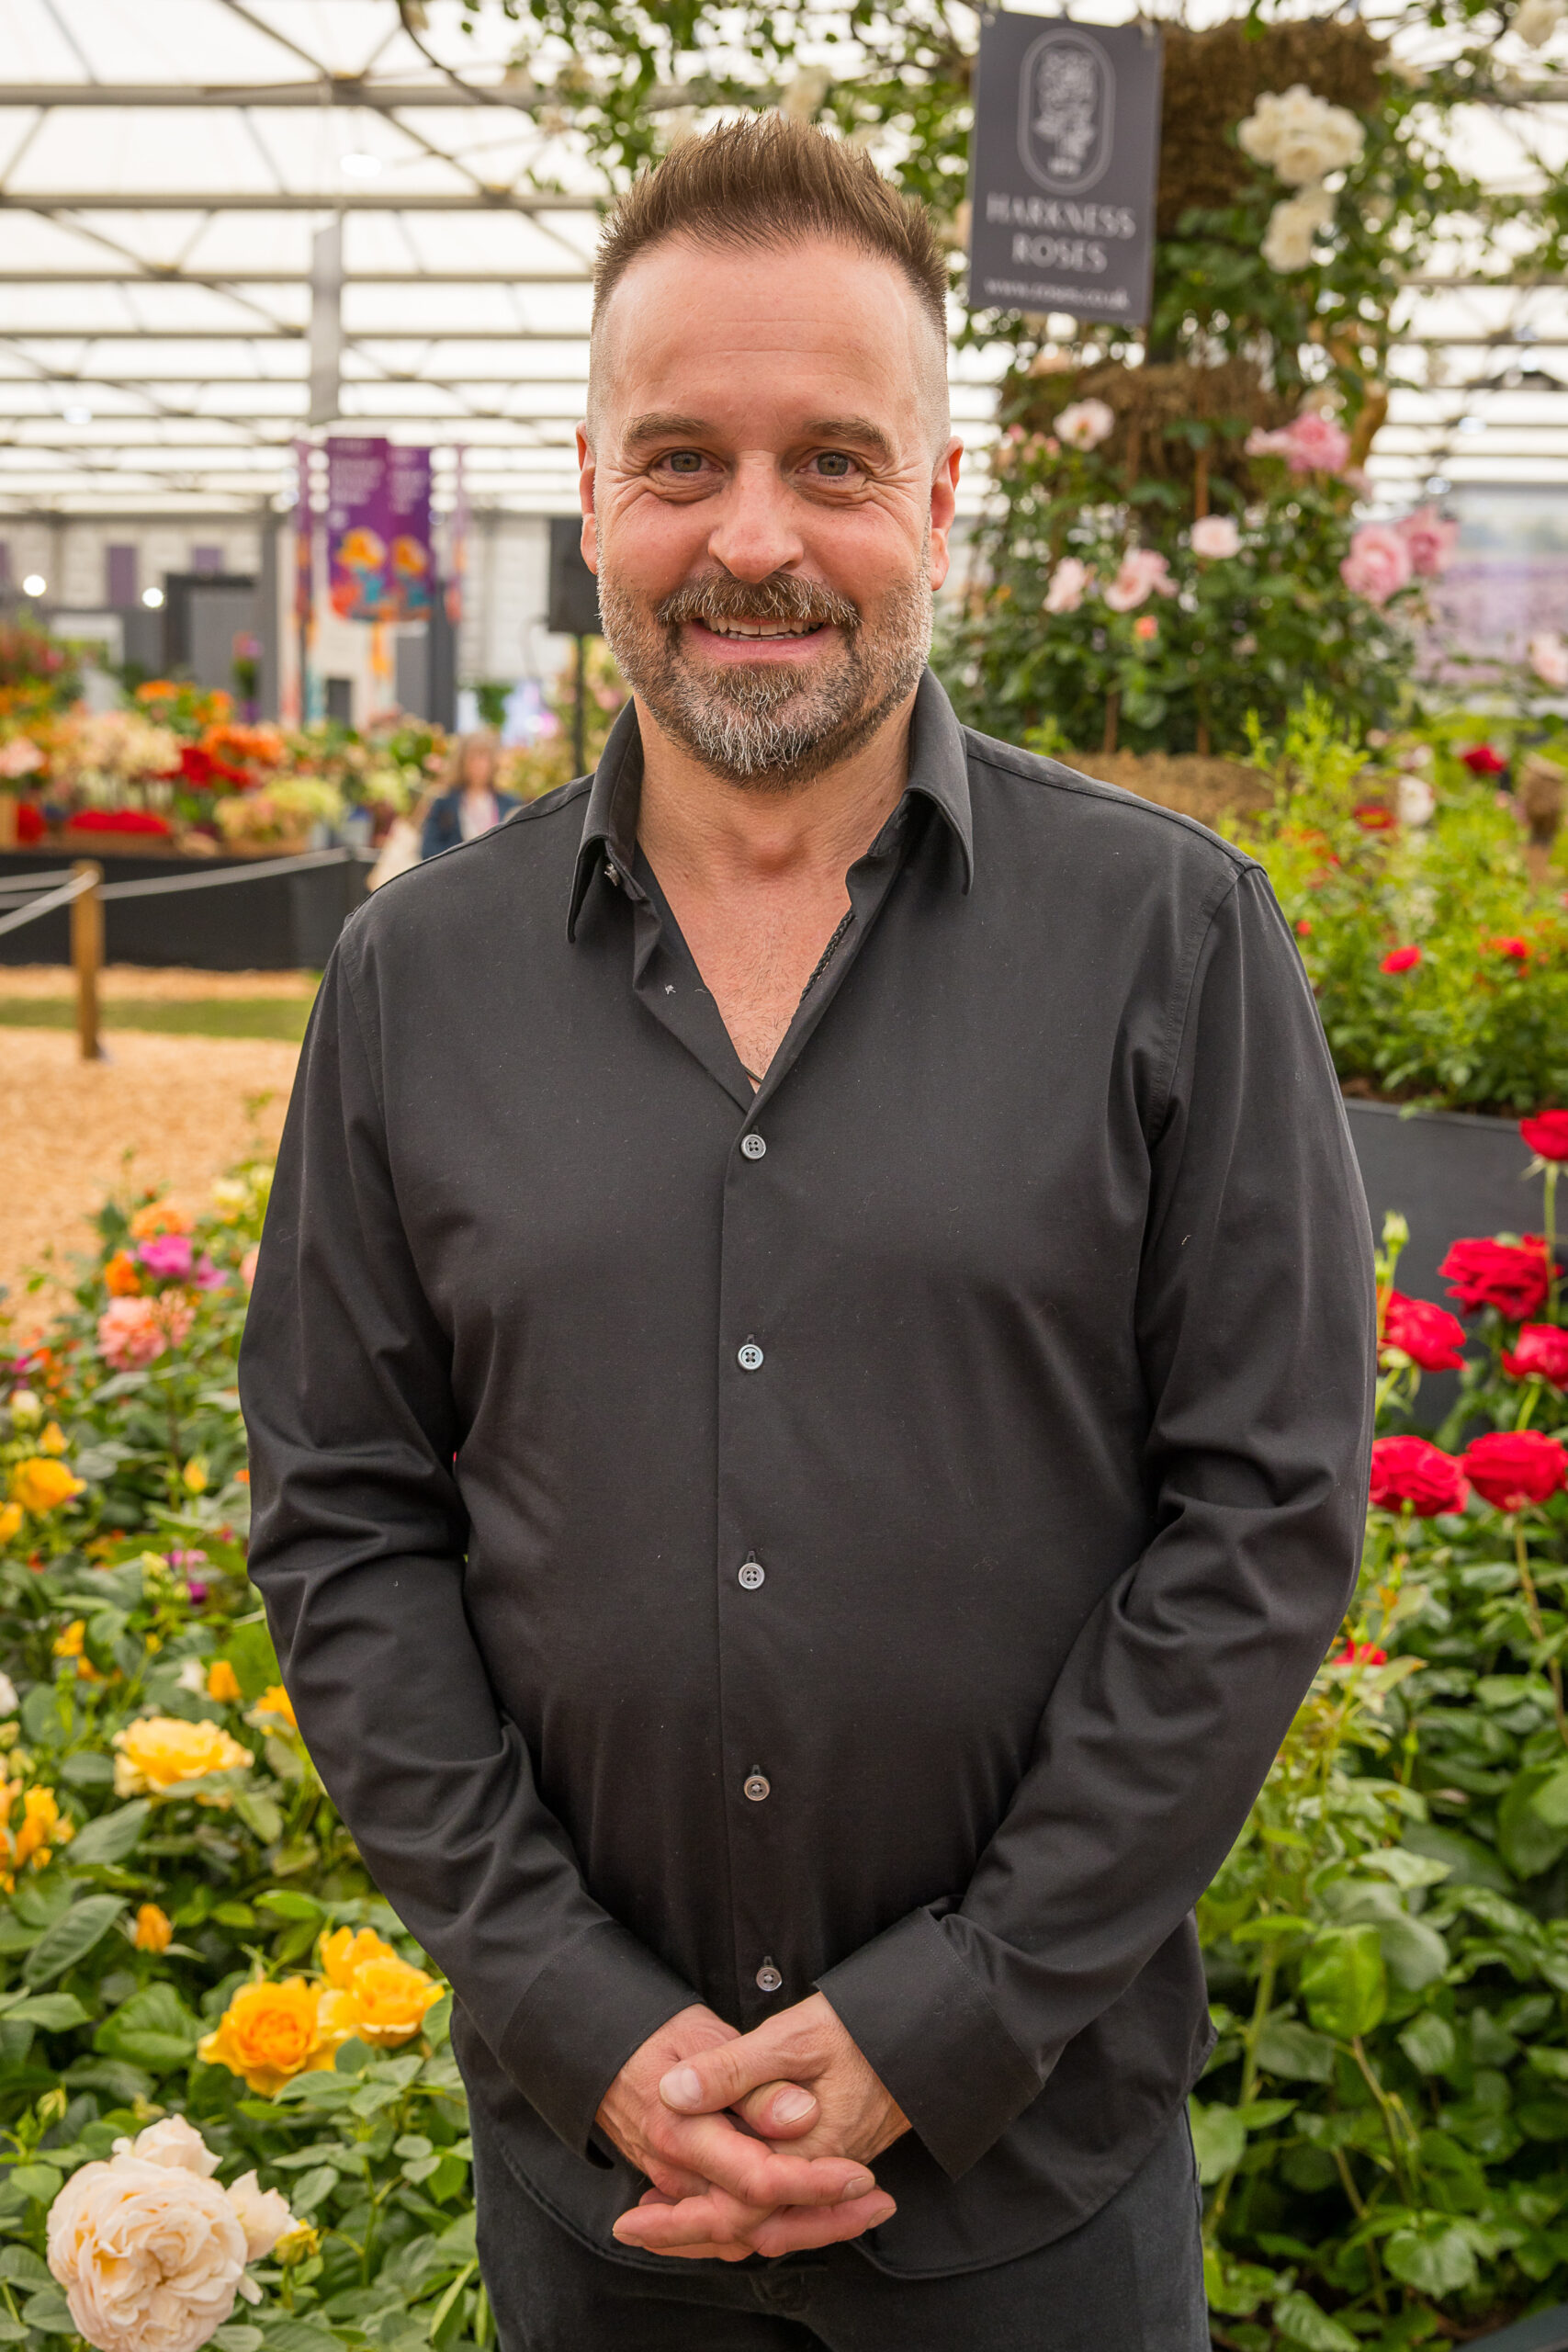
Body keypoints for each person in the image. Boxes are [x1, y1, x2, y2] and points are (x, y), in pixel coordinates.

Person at [240, 116, 1375, 2350]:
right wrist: (594, 2023)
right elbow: (348, 1525)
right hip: (598, 2209)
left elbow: (1256, 1511)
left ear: (936, 500)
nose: (750, 539)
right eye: (680, 460)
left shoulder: (1168, 941)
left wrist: (938, 2017)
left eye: (832, 464)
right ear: (588, 494)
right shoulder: (411, 981)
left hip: (1027, 2195)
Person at [419, 729, 521, 858]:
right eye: (473, 758)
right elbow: (428, 850)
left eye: (484, 758)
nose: (479, 765)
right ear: (462, 762)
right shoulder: (445, 802)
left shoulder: (509, 802)